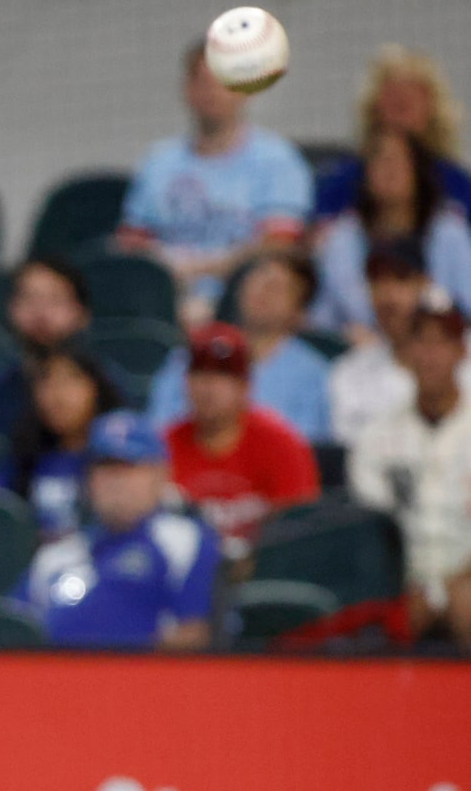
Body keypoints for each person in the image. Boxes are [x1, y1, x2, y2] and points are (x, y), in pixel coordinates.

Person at [118, 36, 312, 326]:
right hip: (165, 309)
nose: (211, 92)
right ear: (186, 89)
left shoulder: (277, 160)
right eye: (201, 81)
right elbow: (131, 244)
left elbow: (281, 246)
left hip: (246, 311)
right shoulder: (158, 161)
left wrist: (202, 270)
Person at [22, 411, 214, 650]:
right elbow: (19, 630)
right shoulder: (54, 556)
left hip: (148, 680)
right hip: (52, 680)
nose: (116, 481)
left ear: (160, 475)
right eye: (105, 467)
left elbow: (194, 634)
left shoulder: (184, 541)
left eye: (129, 467)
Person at [349, 291, 471, 647]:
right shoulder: (376, 435)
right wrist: (410, 587)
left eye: (442, 342)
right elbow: (370, 532)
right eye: (421, 341)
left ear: (461, 350)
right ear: (406, 352)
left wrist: (457, 585)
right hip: (400, 585)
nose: (430, 355)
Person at [163, 323, 318, 556]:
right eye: (199, 373)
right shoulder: (165, 446)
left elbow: (301, 532)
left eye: (223, 375)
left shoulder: (282, 444)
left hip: (266, 574)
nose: (209, 387)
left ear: (245, 386)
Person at [147, 251, 330, 444]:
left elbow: (307, 447)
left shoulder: (311, 373)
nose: (263, 291)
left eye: (278, 288)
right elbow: (159, 430)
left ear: (299, 312)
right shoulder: (193, 354)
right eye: (257, 279)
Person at [312, 129, 471, 338]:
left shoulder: (450, 231)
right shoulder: (341, 236)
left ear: (418, 171)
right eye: (380, 162)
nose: (389, 171)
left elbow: (466, 302)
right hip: (362, 349)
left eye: (398, 162)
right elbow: (324, 316)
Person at [329, 237, 471, 450]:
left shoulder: (463, 352)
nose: (388, 295)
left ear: (425, 284)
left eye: (400, 278)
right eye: (377, 280)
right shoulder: (350, 373)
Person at [314, 46, 471, 224]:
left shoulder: (455, 184)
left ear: (433, 108)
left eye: (413, 94)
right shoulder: (344, 179)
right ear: (373, 106)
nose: (401, 103)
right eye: (392, 94)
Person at [0, 344, 121, 538]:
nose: (58, 395)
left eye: (72, 379)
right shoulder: (22, 456)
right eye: (46, 381)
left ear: (96, 387)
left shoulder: (122, 457)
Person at [0, 254, 94, 439]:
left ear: (82, 313)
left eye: (55, 300)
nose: (41, 313)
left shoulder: (107, 387)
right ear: (10, 309)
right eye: (29, 299)